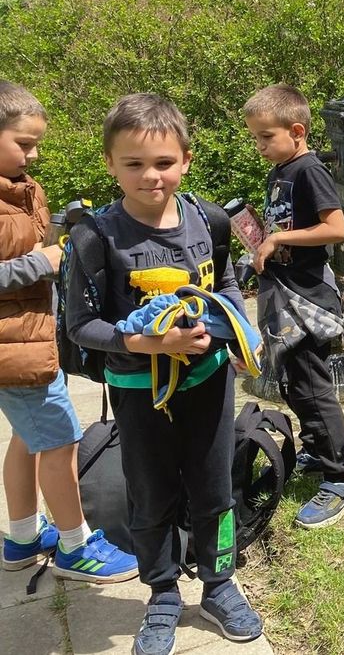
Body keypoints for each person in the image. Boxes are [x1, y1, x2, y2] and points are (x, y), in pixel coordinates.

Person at [65, 93, 262, 655]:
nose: (151, 176)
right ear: (109, 163)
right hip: (137, 390)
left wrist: (231, 332)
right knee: (150, 497)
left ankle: (220, 584)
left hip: (210, 383)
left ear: (186, 160)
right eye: (134, 164)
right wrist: (149, 343)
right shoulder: (96, 238)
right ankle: (163, 595)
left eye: (163, 163)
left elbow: (224, 286)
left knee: (215, 489)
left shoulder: (208, 219)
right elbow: (80, 326)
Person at [0, 81, 137, 583]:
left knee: (28, 437)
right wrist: (43, 262)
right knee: (60, 443)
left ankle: (21, 537)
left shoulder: (20, 185)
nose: (33, 154)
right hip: (16, 347)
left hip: (29, 338)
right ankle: (77, 548)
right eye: (23, 142)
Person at [242, 84, 344, 529]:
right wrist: (261, 242)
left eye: (265, 137)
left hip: (308, 299)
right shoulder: (281, 171)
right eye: (255, 137)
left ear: (297, 131)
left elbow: (336, 229)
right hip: (285, 293)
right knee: (294, 384)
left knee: (312, 386)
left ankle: (342, 478)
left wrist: (278, 238)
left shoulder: (309, 170)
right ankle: (317, 444)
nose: (259, 146)